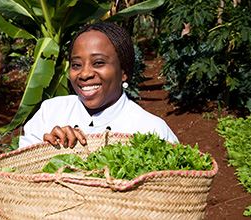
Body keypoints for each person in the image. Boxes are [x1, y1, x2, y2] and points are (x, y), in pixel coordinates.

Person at [19, 21, 178, 148]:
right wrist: (45, 150)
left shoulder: (151, 130)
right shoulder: (50, 113)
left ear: (124, 71)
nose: (85, 74)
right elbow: (21, 172)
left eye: (99, 63)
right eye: (76, 65)